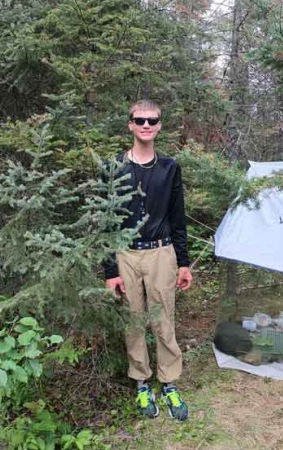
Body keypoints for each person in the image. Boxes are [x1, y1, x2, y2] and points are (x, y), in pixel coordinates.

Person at [103, 99, 193, 421]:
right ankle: (142, 382)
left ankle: (169, 383)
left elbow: (177, 217)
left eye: (151, 120)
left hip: (161, 253)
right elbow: (106, 222)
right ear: (130, 124)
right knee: (133, 320)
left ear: (159, 125)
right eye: (139, 120)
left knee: (163, 319)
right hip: (125, 253)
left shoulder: (170, 168)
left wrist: (183, 262)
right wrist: (110, 270)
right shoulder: (113, 167)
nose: (145, 125)